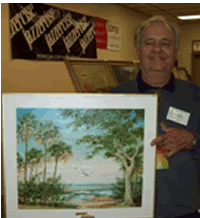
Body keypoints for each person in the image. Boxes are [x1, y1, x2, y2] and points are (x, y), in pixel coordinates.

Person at [111, 16, 200, 218]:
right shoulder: (115, 96)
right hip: (129, 211)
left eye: (165, 43)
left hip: (182, 210)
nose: (157, 49)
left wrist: (193, 140)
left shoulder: (196, 95)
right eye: (149, 43)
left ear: (175, 51)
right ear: (138, 51)